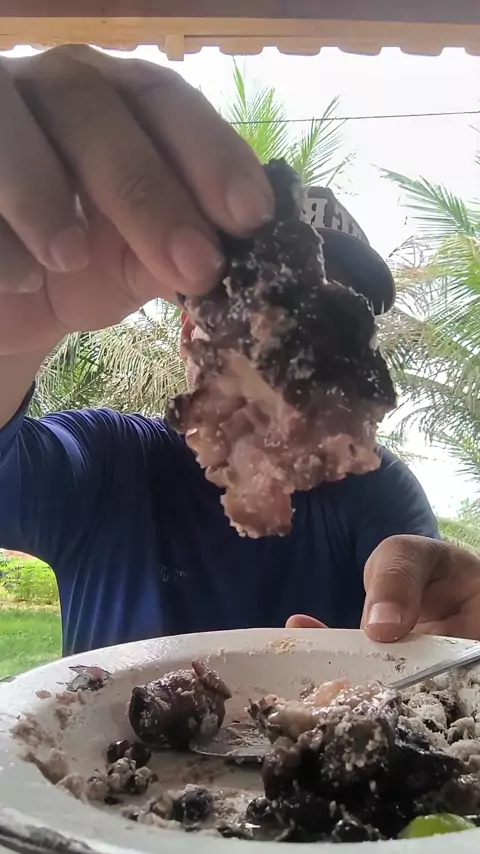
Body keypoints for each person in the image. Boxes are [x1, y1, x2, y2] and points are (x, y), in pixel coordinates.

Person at [0, 45, 450, 658]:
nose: (298, 357)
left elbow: (427, 633)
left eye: (334, 324)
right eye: (265, 317)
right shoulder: (110, 465)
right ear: (192, 333)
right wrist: (11, 338)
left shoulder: (373, 489)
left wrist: (441, 647)